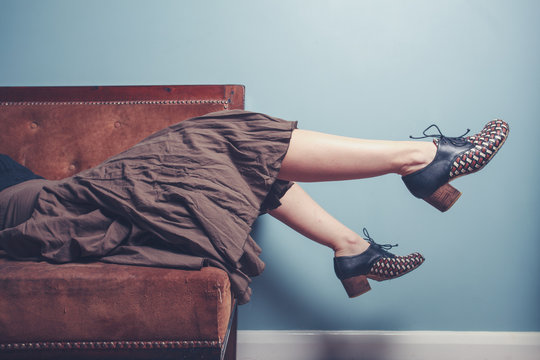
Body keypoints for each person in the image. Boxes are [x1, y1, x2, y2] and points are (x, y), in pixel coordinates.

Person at [0, 110, 509, 304]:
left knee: (225, 169)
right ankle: (419, 159)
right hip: (32, 209)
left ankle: (352, 248)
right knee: (211, 138)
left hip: (48, 196)